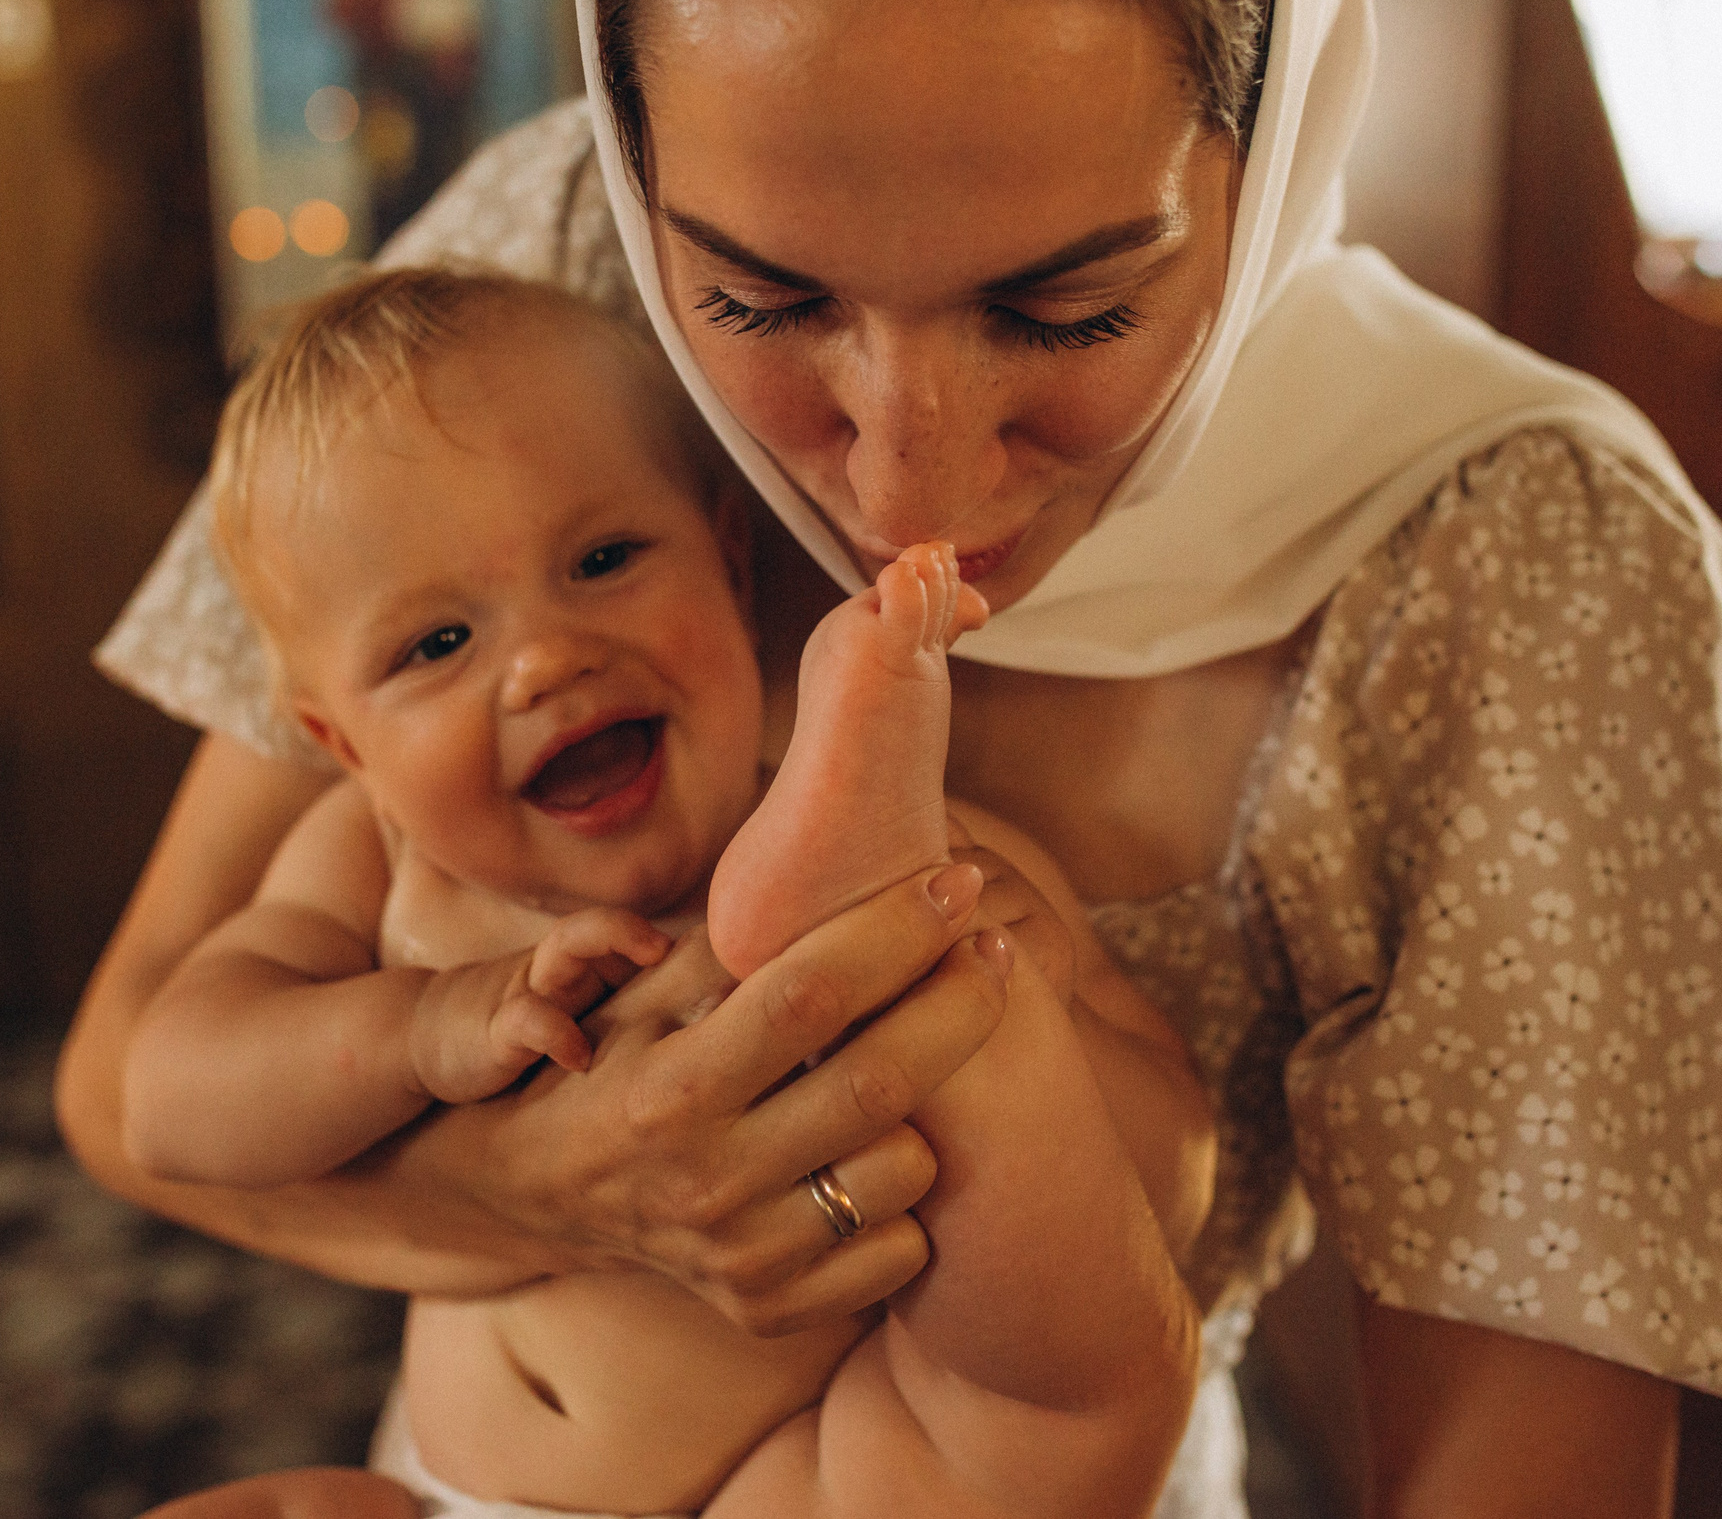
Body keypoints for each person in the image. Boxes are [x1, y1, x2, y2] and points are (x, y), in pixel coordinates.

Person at [66, 0, 1722, 1512]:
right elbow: (131, 1082)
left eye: (1066, 311)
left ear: (1271, 137)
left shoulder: (1533, 567)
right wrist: (567, 1182)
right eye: (761, 304)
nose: (911, 493)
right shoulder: (563, 255)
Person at [123, 269, 1205, 1519]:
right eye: (436, 644)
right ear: (344, 745)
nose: (545, 659)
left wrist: (1020, 1017)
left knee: (1033, 1415)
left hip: (809, 1470)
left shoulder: (923, 853)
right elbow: (168, 1103)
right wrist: (418, 1027)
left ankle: (947, 996)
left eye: (602, 559)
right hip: (459, 1492)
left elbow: (1176, 1179)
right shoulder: (372, 862)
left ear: (728, 567)